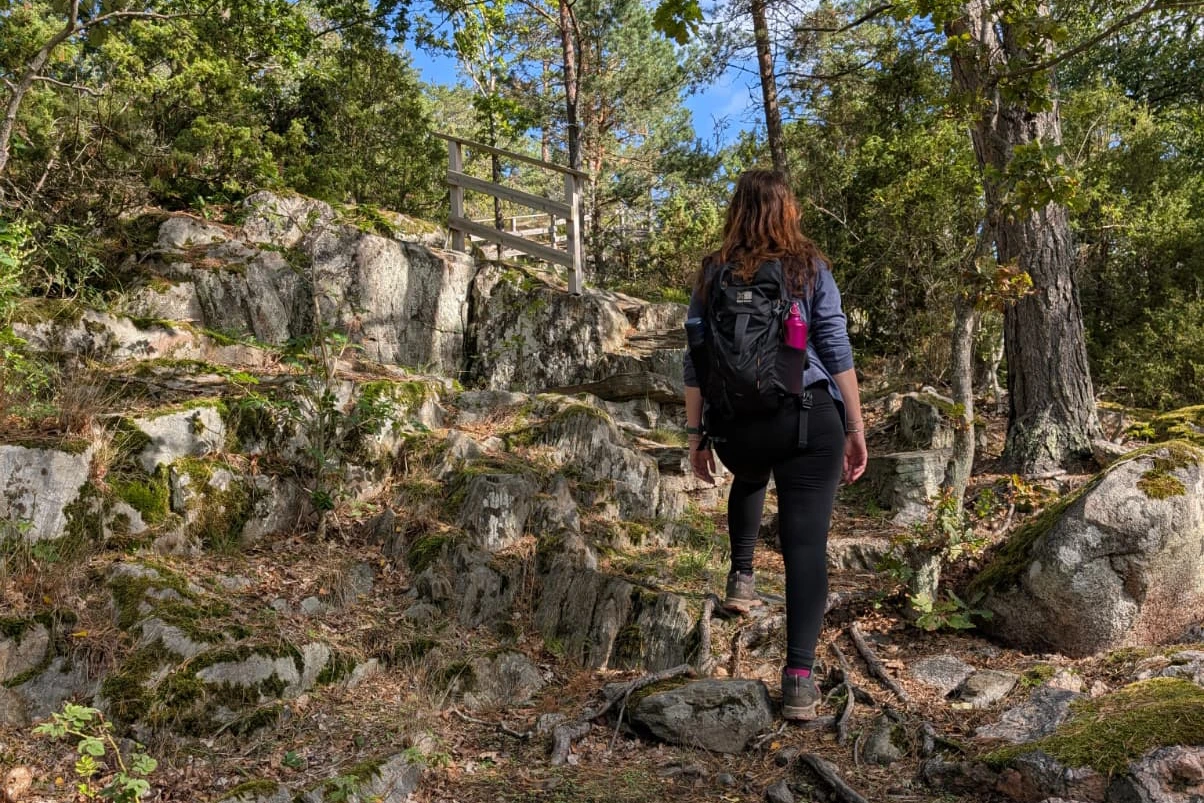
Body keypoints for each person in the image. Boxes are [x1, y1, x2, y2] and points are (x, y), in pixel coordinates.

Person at [682, 169, 867, 720]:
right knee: (805, 546)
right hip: (806, 420)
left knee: (750, 474)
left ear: (736, 212)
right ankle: (798, 679)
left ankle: (741, 578)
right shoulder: (807, 269)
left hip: (738, 428)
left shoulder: (711, 273)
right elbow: (834, 349)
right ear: (788, 212)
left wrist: (697, 436)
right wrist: (856, 428)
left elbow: (695, 358)